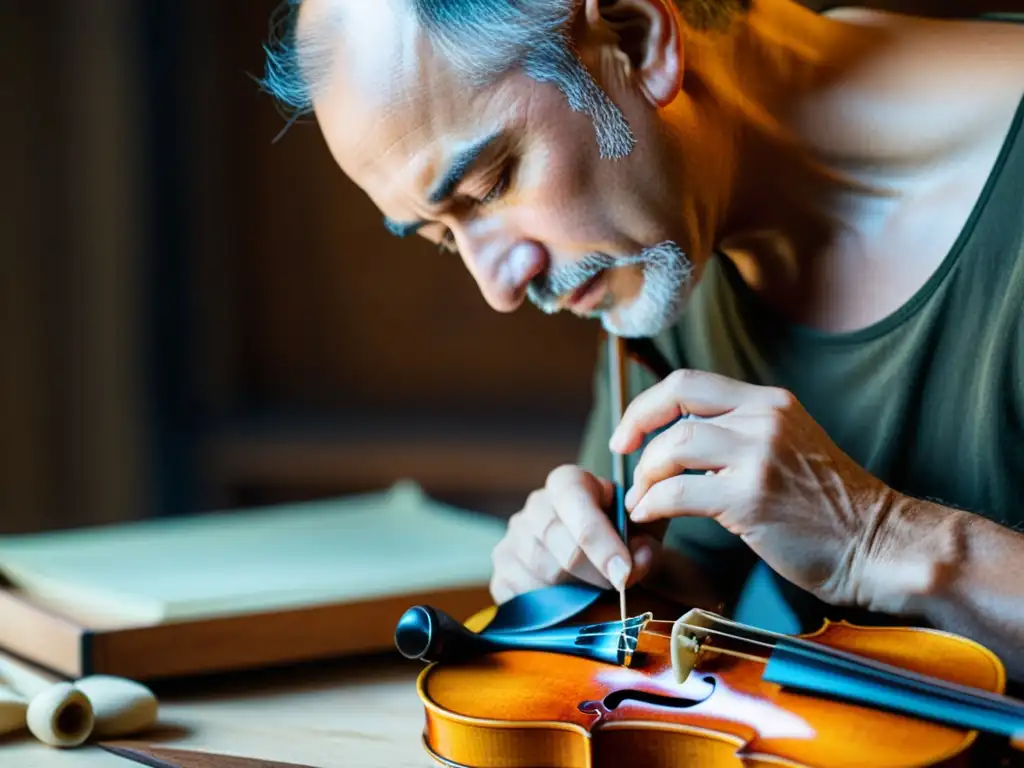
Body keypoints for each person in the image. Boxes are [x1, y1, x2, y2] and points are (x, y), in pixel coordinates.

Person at [259, 0, 1024, 685]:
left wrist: (878, 538)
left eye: (491, 185)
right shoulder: (661, 253)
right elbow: (702, 598)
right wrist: (604, 593)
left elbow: (842, 540)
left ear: (638, 36)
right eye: (439, 235)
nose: (497, 288)